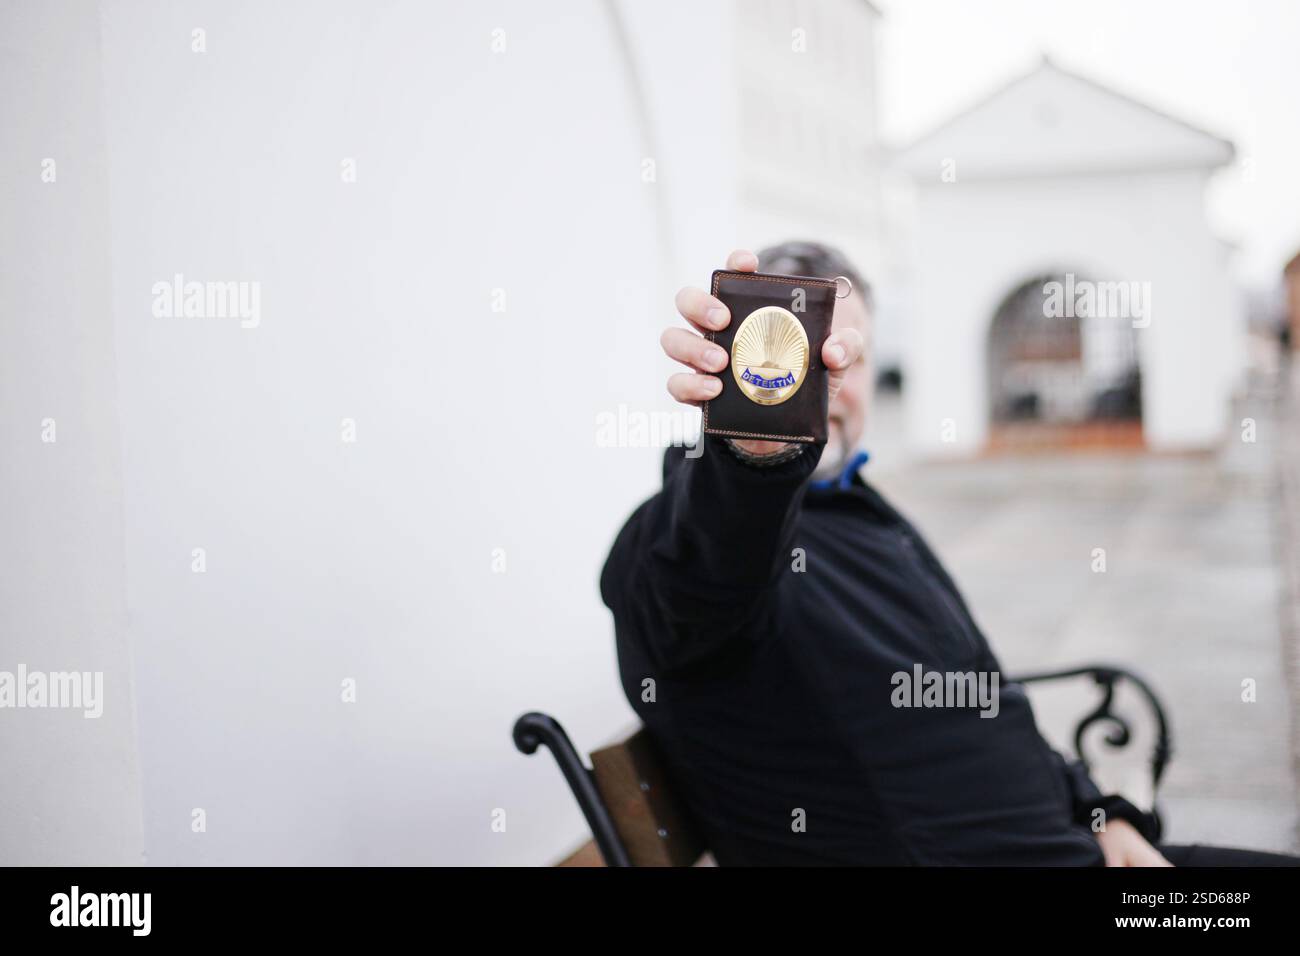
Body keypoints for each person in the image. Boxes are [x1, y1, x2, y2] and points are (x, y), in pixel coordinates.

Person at [599, 243, 1300, 866]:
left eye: (851, 358)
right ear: (739, 364)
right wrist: (751, 458)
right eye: (802, 357)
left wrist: (1100, 812)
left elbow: (985, 688)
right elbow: (706, 578)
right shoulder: (678, 540)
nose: (831, 387)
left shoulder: (860, 509)